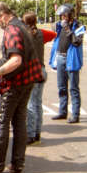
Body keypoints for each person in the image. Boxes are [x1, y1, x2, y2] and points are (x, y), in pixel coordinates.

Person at [0, 2, 43, 173]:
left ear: (3, 16)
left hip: (16, 82)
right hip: (27, 80)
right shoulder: (21, 26)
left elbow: (16, 60)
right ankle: (17, 163)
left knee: (2, 122)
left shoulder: (12, 30)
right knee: (19, 122)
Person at [22, 12, 56, 144]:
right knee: (37, 103)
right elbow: (54, 34)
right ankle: (37, 133)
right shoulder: (41, 33)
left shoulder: (24, 35)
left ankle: (30, 135)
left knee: (30, 104)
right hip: (41, 70)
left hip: (31, 71)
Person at [48, 4, 84, 123]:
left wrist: (68, 29)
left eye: (64, 15)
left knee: (73, 88)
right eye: (61, 15)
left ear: (70, 15)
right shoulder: (60, 25)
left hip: (71, 59)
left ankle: (75, 115)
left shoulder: (78, 26)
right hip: (60, 57)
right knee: (61, 87)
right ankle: (62, 112)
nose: (62, 17)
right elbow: (53, 31)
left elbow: (77, 42)